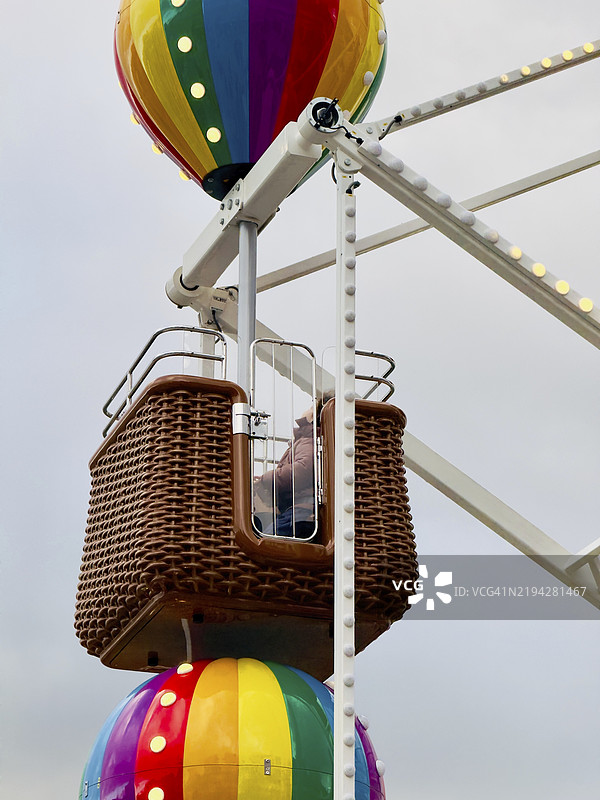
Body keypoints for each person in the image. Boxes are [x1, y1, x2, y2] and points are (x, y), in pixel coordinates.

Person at [253, 404, 318, 538]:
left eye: (311, 407)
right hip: (296, 511)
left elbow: (303, 469)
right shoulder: (304, 440)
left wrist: (268, 478)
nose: (307, 409)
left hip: (300, 511)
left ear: (312, 417)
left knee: (269, 538)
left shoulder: (308, 440)